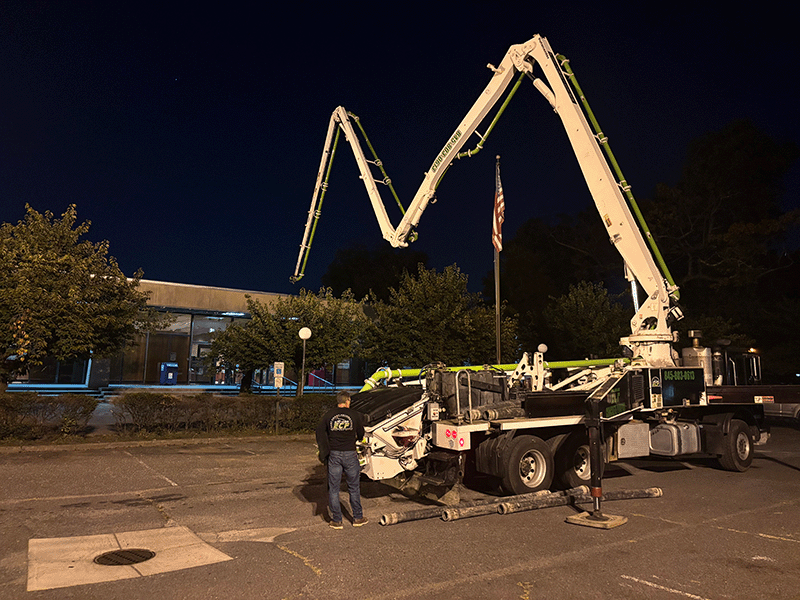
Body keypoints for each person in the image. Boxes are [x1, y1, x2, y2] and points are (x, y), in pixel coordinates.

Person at [315, 390, 368, 528]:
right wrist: (357, 438)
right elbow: (361, 433)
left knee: (333, 489)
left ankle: (337, 520)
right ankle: (357, 518)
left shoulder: (328, 415)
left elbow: (320, 432)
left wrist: (324, 451)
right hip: (350, 454)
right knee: (354, 487)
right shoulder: (354, 415)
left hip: (334, 455)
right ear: (347, 401)